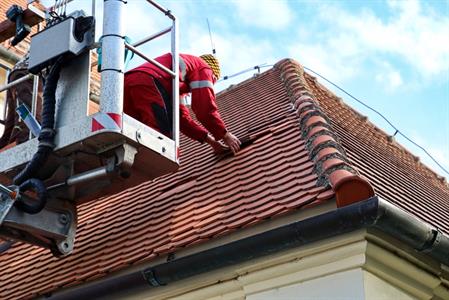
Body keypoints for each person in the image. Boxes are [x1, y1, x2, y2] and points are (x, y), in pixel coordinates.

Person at [124, 53, 241, 155]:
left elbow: (181, 118)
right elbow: (204, 108)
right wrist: (225, 135)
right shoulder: (204, 69)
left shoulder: (176, 83)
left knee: (129, 134)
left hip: (127, 83)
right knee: (158, 139)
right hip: (150, 81)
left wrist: (211, 142)